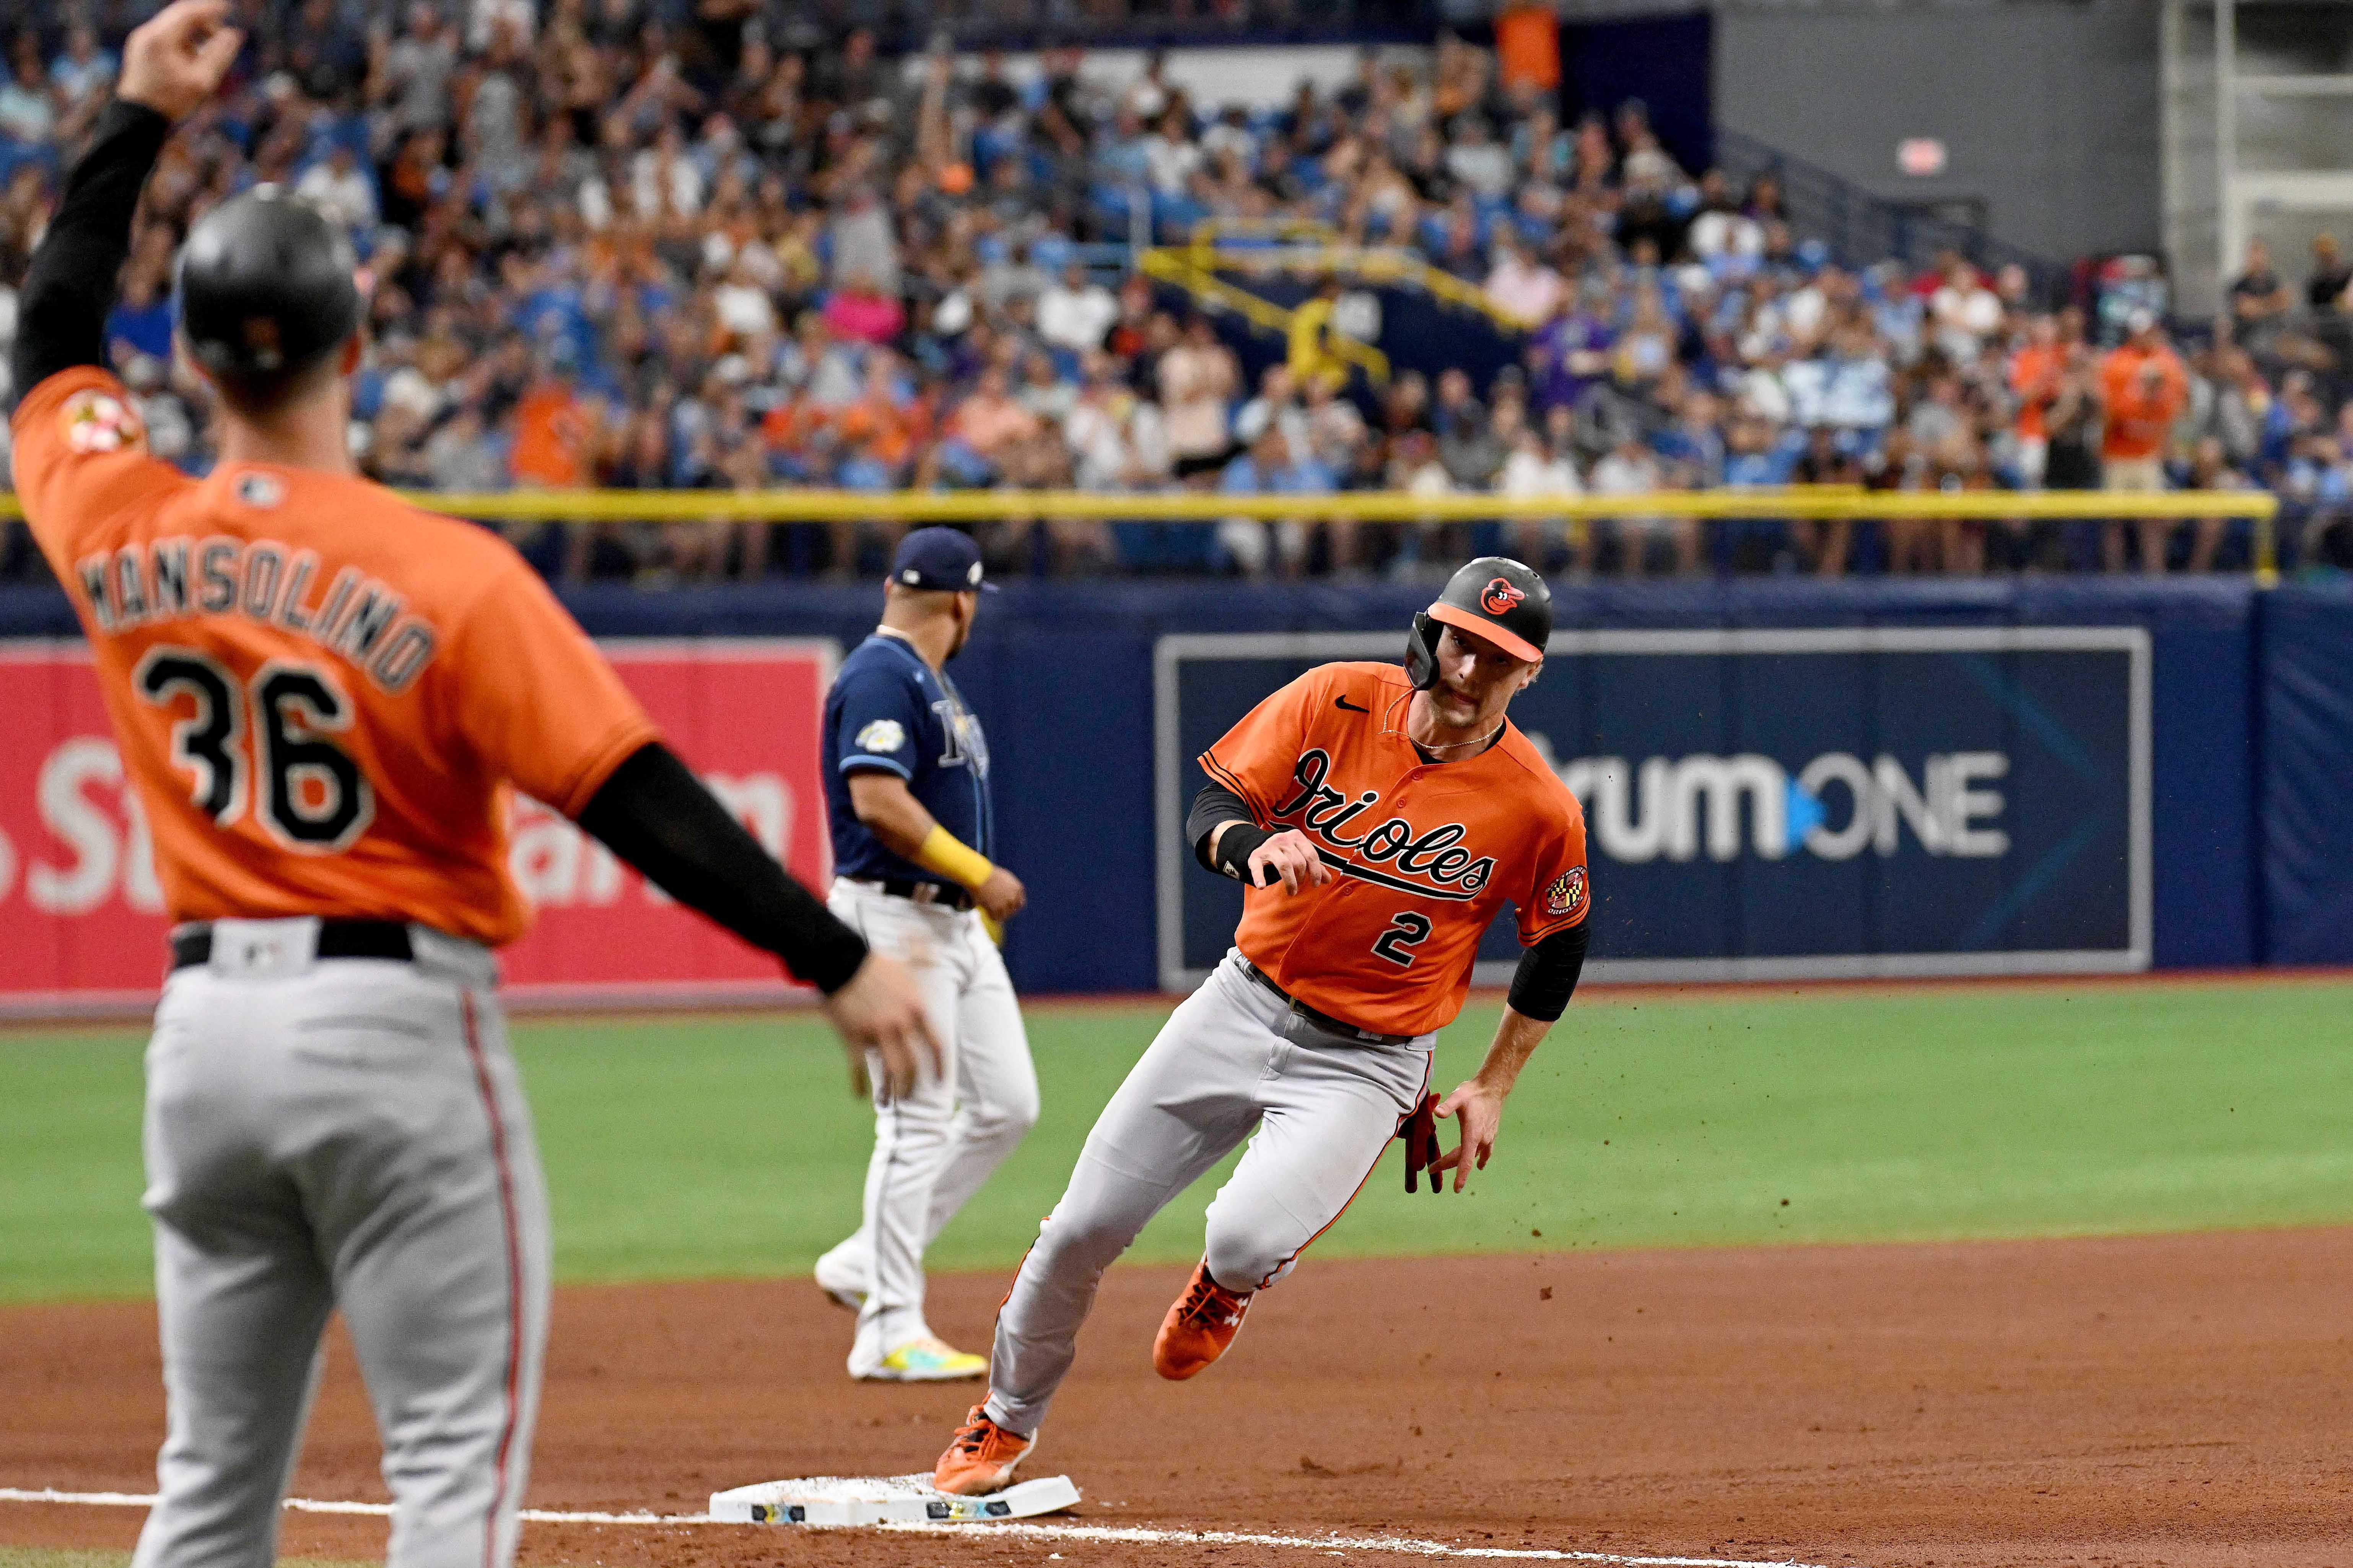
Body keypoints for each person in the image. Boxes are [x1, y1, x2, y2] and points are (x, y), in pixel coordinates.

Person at [4, 9, 935, 1568]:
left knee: (210, 1488)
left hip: (201, 1043)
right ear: (357, 342)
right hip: (389, 1033)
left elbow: (48, 335)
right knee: (447, 1472)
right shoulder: (442, 569)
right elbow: (634, 794)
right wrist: (832, 957)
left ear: (184, 354)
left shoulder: (114, 517)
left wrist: (136, 116)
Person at [933, 557, 1593, 1496]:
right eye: (1462, 640)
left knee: (1242, 1239)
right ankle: (1001, 1422)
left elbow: (1556, 946)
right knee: (1081, 1227)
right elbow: (1214, 804)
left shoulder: (1537, 804)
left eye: (1499, 655)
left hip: (1367, 1064)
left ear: (1528, 673)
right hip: (1240, 1004)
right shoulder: (1334, 700)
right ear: (1431, 632)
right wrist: (1253, 843)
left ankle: (1224, 1286)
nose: (1470, 666)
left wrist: (1493, 1081)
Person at [812, 528, 1040, 1381]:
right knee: (914, 1120)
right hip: (896, 917)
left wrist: (966, 899)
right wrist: (977, 873)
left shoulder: (923, 678)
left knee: (1007, 1105)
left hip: (948, 925)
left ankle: (865, 1260)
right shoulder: (882, 670)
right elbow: (876, 800)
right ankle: (888, 1327)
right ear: (962, 600)